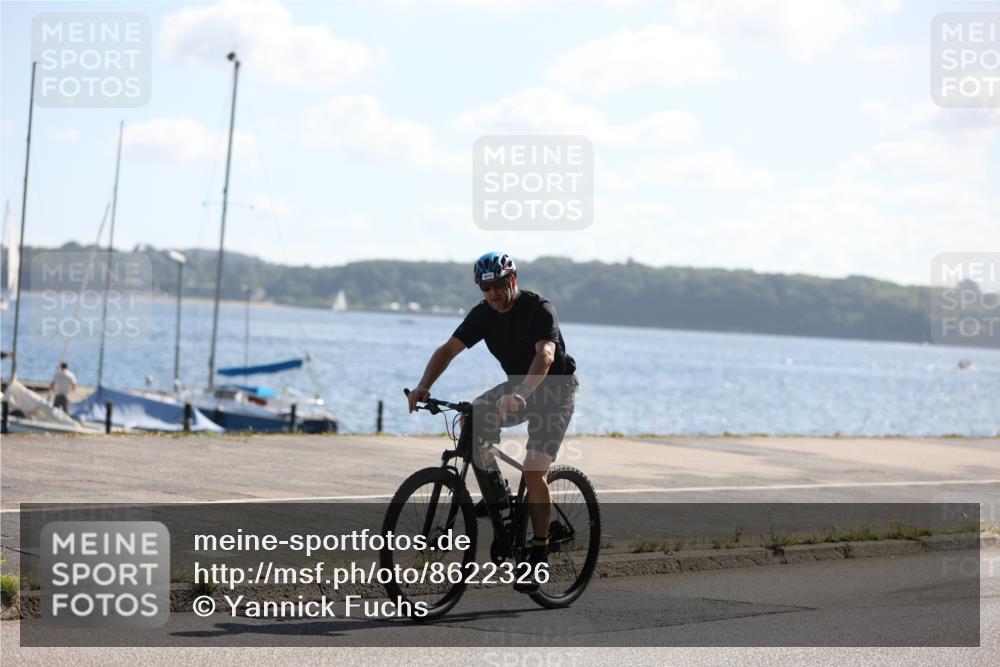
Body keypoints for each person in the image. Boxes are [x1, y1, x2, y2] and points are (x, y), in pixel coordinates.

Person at [407, 251, 578, 593]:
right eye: (487, 288)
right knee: (472, 419)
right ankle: (499, 497)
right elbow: (448, 349)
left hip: (554, 389)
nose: (495, 294)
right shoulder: (484, 313)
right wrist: (425, 385)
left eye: (500, 285)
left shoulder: (538, 308)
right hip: (518, 385)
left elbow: (545, 356)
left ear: (513, 280)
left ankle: (539, 552)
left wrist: (522, 394)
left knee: (533, 471)